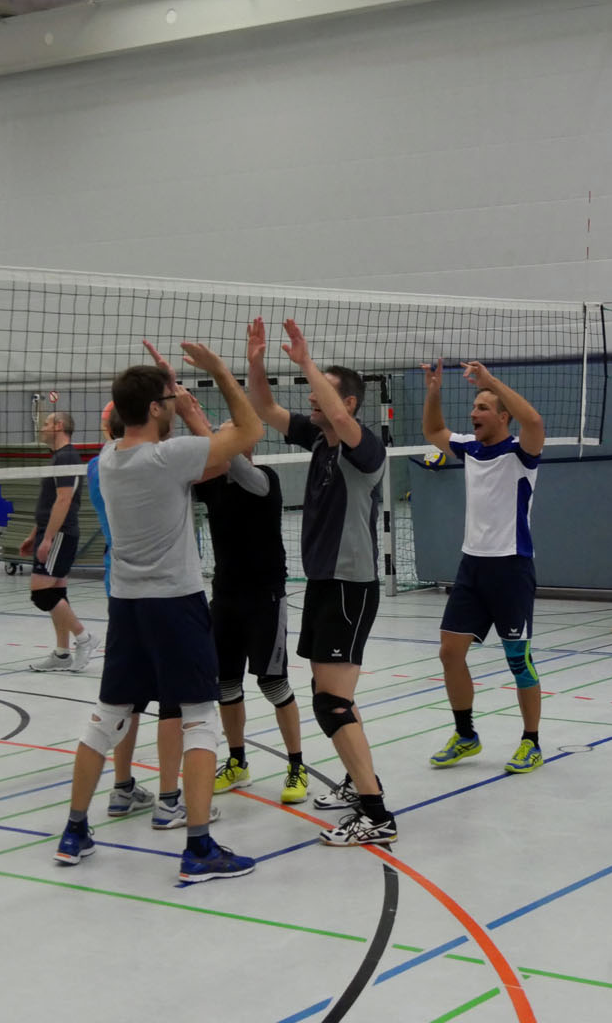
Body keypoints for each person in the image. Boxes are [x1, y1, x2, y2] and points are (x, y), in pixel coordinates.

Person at [54, 344, 262, 883]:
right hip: (176, 604)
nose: (174, 404)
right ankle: (198, 848)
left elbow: (195, 446)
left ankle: (74, 831)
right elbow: (250, 431)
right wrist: (218, 372)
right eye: (167, 400)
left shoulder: (108, 459)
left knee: (106, 718)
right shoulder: (168, 459)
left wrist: (169, 390)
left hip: (127, 606)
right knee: (199, 718)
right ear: (153, 408)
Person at [246, 316, 395, 846]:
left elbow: (335, 413)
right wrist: (257, 362)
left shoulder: (365, 447)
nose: (310, 396)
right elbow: (265, 408)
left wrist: (306, 361)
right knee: (330, 694)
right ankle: (360, 783)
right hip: (324, 582)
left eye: (321, 390)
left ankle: (376, 814)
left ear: (347, 403)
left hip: (350, 584)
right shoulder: (320, 440)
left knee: (332, 704)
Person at [421, 358, 546, 774]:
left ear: (502, 416)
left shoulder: (521, 453)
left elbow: (535, 421)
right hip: (472, 566)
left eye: (483, 407)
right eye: (474, 407)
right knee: (449, 652)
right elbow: (433, 432)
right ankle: (466, 735)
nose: (473, 413)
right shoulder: (469, 448)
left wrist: (492, 380)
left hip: (511, 568)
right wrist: (434, 392)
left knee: (518, 660)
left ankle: (531, 742)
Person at [194, 421, 308, 805]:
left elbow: (237, 467)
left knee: (273, 684)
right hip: (225, 595)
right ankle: (237, 762)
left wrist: (199, 423)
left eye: (231, 434)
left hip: (265, 597)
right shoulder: (212, 485)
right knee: (226, 684)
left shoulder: (265, 480)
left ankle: (296, 766)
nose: (223, 440)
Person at [86, 399, 186, 823]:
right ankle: (170, 799)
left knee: (126, 699)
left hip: (120, 588)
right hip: (162, 592)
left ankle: (122, 787)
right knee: (174, 700)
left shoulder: (100, 465)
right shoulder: (157, 463)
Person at [23, 410, 97, 672]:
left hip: (60, 533)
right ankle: (62, 654)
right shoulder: (59, 457)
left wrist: (48, 538)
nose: (42, 428)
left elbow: (64, 500)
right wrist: (35, 534)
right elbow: (52, 502)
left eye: (46, 423)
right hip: (53, 531)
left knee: (41, 594)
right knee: (57, 594)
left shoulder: (66, 457)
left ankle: (84, 638)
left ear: (59, 426)